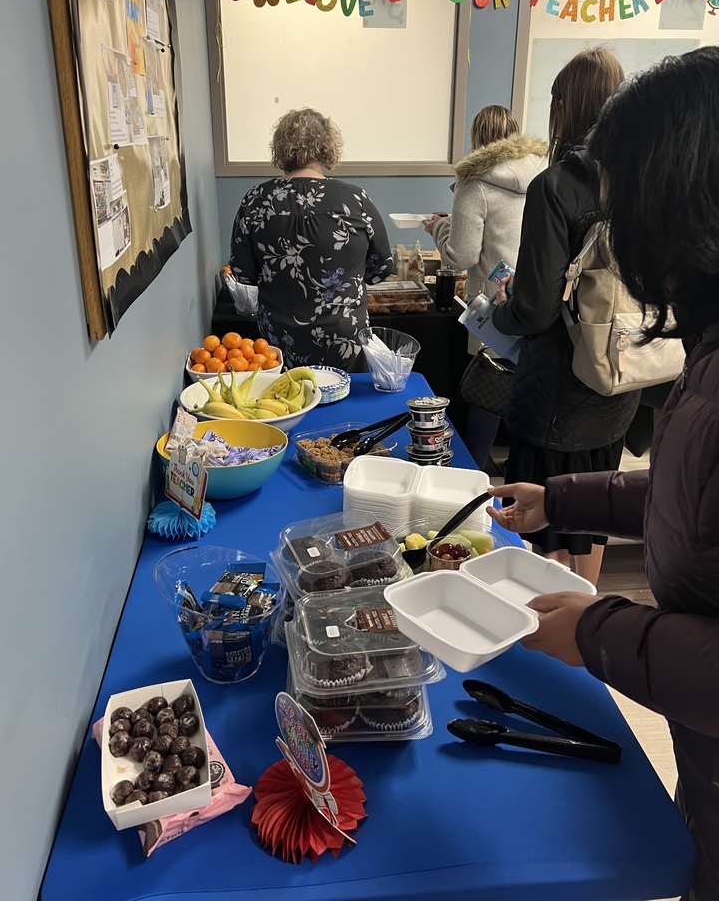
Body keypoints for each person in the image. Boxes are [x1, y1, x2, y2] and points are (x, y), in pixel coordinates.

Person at [487, 46, 719, 901]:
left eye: (626, 206)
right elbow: (691, 499)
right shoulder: (705, 344)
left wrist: (597, 633)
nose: (616, 236)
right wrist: (563, 499)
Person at [489, 47, 640, 584]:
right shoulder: (640, 181)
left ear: (563, 109)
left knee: (544, 522)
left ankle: (548, 632)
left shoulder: (555, 186)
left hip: (556, 392)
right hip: (619, 379)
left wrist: (496, 312)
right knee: (593, 514)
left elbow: (532, 309)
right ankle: (586, 611)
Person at [423, 105, 547, 469]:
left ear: (477, 141)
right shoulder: (543, 173)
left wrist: (438, 229)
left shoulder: (473, 182)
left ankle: (473, 472)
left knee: (487, 390)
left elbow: (461, 256)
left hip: (492, 303)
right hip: (537, 295)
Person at [229, 107, 393, 370]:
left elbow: (243, 274)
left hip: (277, 343)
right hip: (344, 338)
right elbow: (381, 269)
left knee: (288, 404)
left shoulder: (256, 200)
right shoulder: (355, 200)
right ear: (328, 148)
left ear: (280, 148)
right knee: (346, 405)